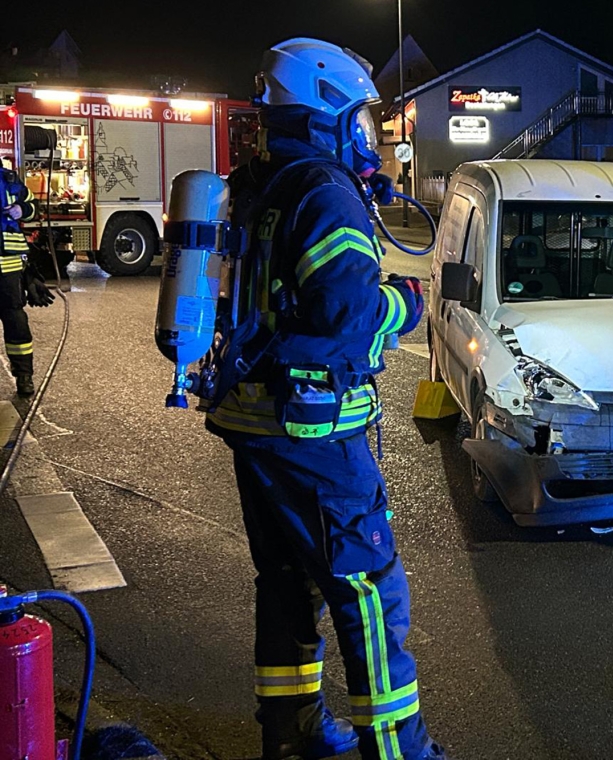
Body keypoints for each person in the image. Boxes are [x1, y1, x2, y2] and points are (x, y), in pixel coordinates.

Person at [206, 38, 447, 760]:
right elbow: (347, 314)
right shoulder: (325, 191)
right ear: (325, 114)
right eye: (360, 119)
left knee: (286, 584)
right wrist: (403, 306)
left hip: (255, 420)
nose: (367, 136)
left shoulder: (259, 184)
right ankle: (399, 750)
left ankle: (291, 736)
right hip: (313, 434)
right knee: (368, 590)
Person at [1, 167, 53, 397]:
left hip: (9, 266)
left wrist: (22, 209)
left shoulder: (8, 178)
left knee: (16, 322)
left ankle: (24, 376)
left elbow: (34, 209)